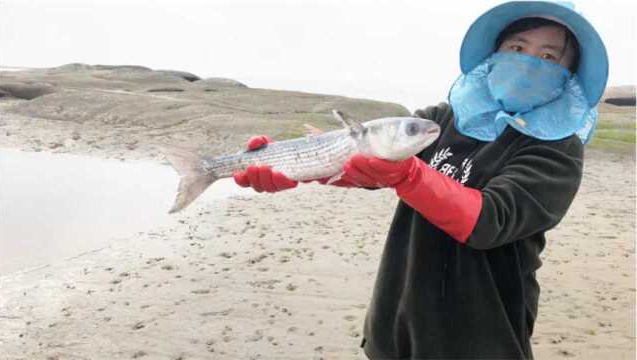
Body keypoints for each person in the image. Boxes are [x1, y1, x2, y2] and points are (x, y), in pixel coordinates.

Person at [233, 1, 608, 358]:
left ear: (568, 76)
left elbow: (490, 220)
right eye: (517, 46)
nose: (528, 63)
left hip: (481, 337)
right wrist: (300, 168)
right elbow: (370, 167)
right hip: (396, 321)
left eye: (548, 57)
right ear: (494, 57)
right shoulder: (441, 120)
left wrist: (409, 174)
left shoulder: (557, 149)